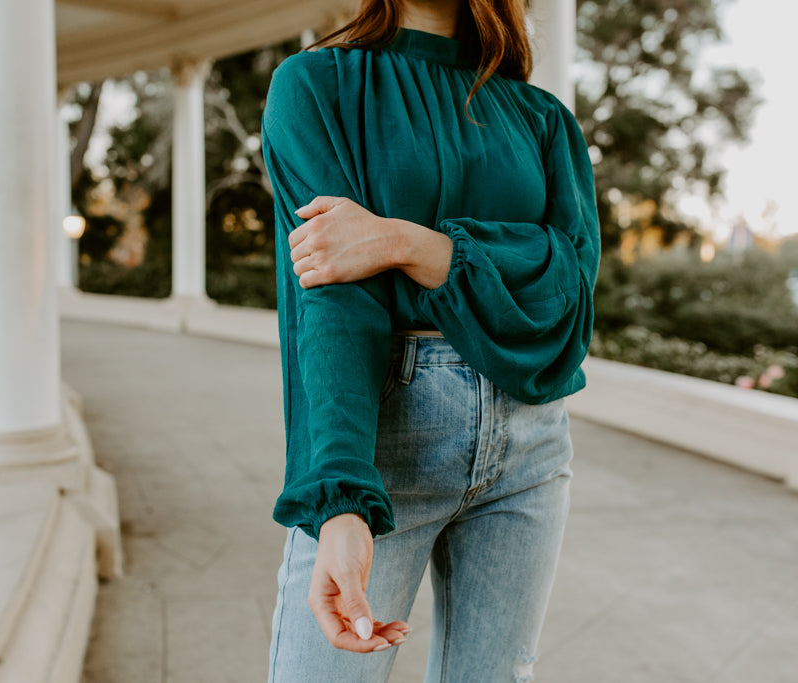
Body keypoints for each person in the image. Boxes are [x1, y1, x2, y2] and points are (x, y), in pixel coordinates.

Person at [261, 0, 599, 680]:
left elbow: (568, 285)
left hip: (529, 442)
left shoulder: (541, 118)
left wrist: (406, 243)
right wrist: (340, 498)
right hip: (386, 438)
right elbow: (329, 297)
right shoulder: (317, 85)